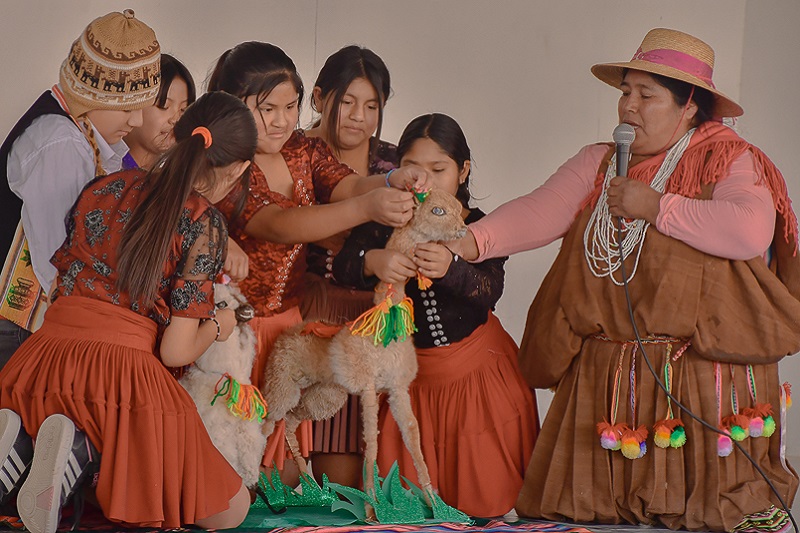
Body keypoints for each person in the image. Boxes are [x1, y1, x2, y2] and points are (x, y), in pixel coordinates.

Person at [448, 28, 800, 531]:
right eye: (625, 92)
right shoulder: (600, 162)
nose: (627, 106)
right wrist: (467, 243)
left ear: (689, 106)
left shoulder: (727, 157)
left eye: (645, 95)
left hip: (696, 379)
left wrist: (656, 206)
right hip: (609, 377)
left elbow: (749, 229)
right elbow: (541, 211)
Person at [0, 91, 258, 533]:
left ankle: (27, 441)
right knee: (230, 509)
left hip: (40, 362)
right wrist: (218, 325)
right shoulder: (203, 222)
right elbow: (176, 351)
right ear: (237, 169)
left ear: (177, 135)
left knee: (86, 417)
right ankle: (74, 448)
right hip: (123, 374)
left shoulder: (105, 186)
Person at [206, 41, 429, 485]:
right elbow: (282, 225)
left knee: (282, 473)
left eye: (290, 106)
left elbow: (345, 185)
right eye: (267, 108)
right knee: (231, 465)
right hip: (236, 333)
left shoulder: (302, 150)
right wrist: (369, 208)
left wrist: (390, 178)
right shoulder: (227, 166)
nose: (282, 120)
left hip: (289, 326)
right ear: (232, 105)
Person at [333, 113, 539, 517]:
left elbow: (489, 290)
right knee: (407, 509)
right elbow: (342, 265)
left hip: (477, 380)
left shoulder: (479, 227)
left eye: (438, 169)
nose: (423, 181)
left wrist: (452, 268)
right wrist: (373, 260)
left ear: (462, 171)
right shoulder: (385, 222)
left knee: (487, 504)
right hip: (409, 381)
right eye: (413, 169)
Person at [0, 10, 161, 368]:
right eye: (126, 109)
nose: (135, 121)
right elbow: (58, 256)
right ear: (90, 96)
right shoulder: (62, 143)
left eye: (141, 109)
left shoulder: (84, 136)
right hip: (18, 324)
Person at [302, 45, 399, 489]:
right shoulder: (292, 155)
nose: (359, 116)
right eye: (347, 102)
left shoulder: (395, 165)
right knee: (303, 473)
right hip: (308, 322)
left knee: (361, 481)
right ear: (320, 97)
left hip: (375, 326)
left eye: (372, 105)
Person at [123, 54, 196, 170]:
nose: (175, 119)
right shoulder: (104, 170)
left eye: (183, 110)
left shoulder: (174, 178)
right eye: (164, 106)